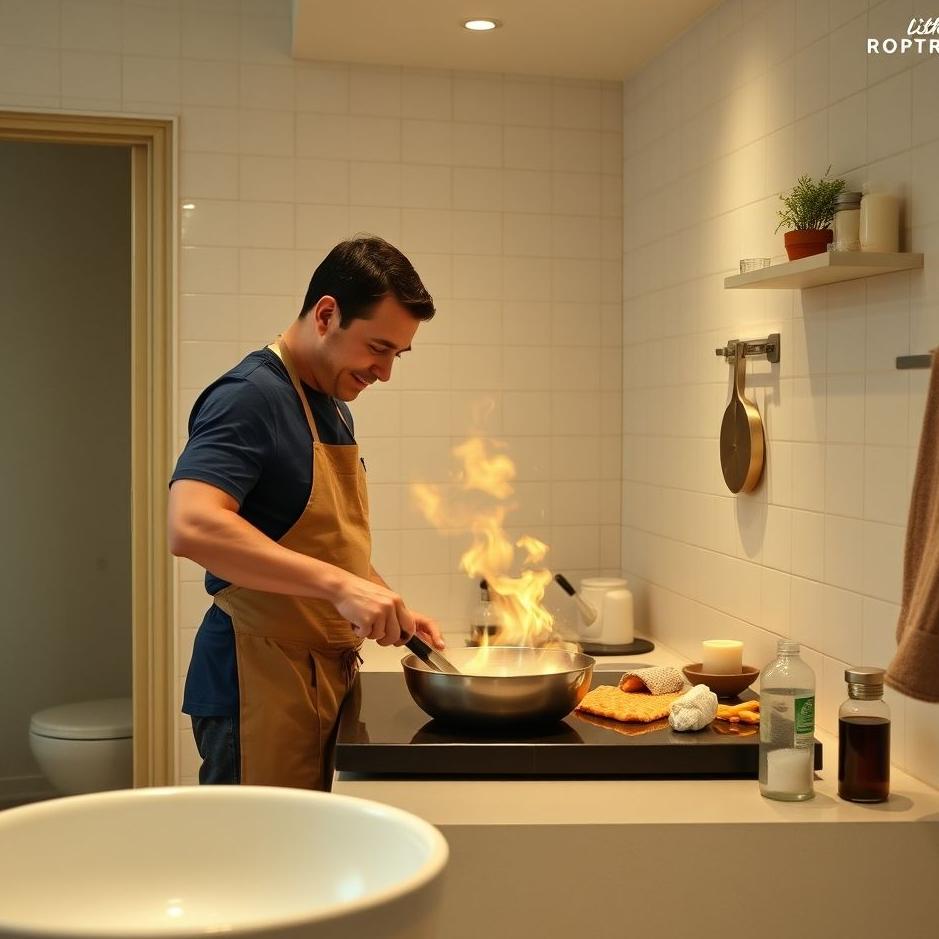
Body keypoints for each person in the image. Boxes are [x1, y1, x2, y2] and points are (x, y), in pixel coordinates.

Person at [168, 236, 445, 790]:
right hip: (257, 680)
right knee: (258, 845)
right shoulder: (250, 395)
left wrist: (382, 599)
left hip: (316, 676)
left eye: (397, 354)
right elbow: (191, 524)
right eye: (378, 347)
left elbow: (317, 539)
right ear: (326, 315)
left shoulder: (330, 404)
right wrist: (342, 587)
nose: (385, 372)